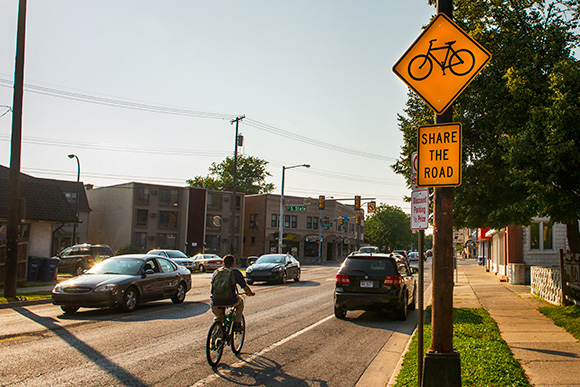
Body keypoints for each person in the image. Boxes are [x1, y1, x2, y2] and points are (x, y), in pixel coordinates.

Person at [210, 254, 255, 330]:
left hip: (215, 301)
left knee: (219, 318)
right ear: (233, 263)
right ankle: (237, 323)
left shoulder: (216, 272)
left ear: (223, 263)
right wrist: (250, 293)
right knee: (240, 303)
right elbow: (245, 287)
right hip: (230, 300)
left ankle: (215, 334)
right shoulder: (235, 272)